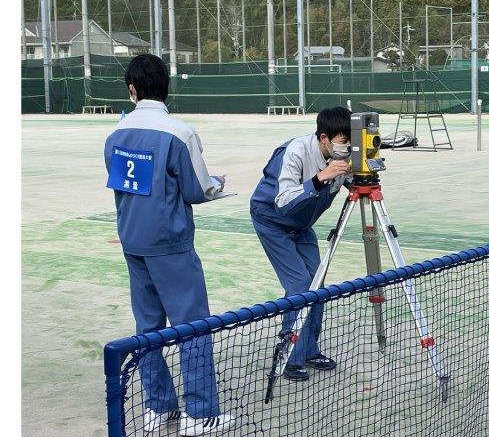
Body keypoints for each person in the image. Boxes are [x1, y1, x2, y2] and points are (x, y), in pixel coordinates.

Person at [104, 54, 234, 436]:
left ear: (132, 90)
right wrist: (216, 183)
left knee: (148, 328)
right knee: (192, 327)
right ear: (167, 89)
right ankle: (200, 413)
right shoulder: (180, 132)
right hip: (170, 244)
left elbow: (124, 183)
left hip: (133, 240)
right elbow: (197, 189)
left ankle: (158, 407)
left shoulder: (117, 134)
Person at [250, 106, 352, 381]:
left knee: (316, 284)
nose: (347, 148)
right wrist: (320, 178)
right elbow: (283, 202)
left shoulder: (343, 155)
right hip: (272, 221)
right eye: (343, 142)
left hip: (302, 224)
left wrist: (365, 170)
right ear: (324, 139)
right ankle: (289, 354)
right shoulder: (295, 152)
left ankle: (308, 350)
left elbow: (354, 184)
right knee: (298, 284)